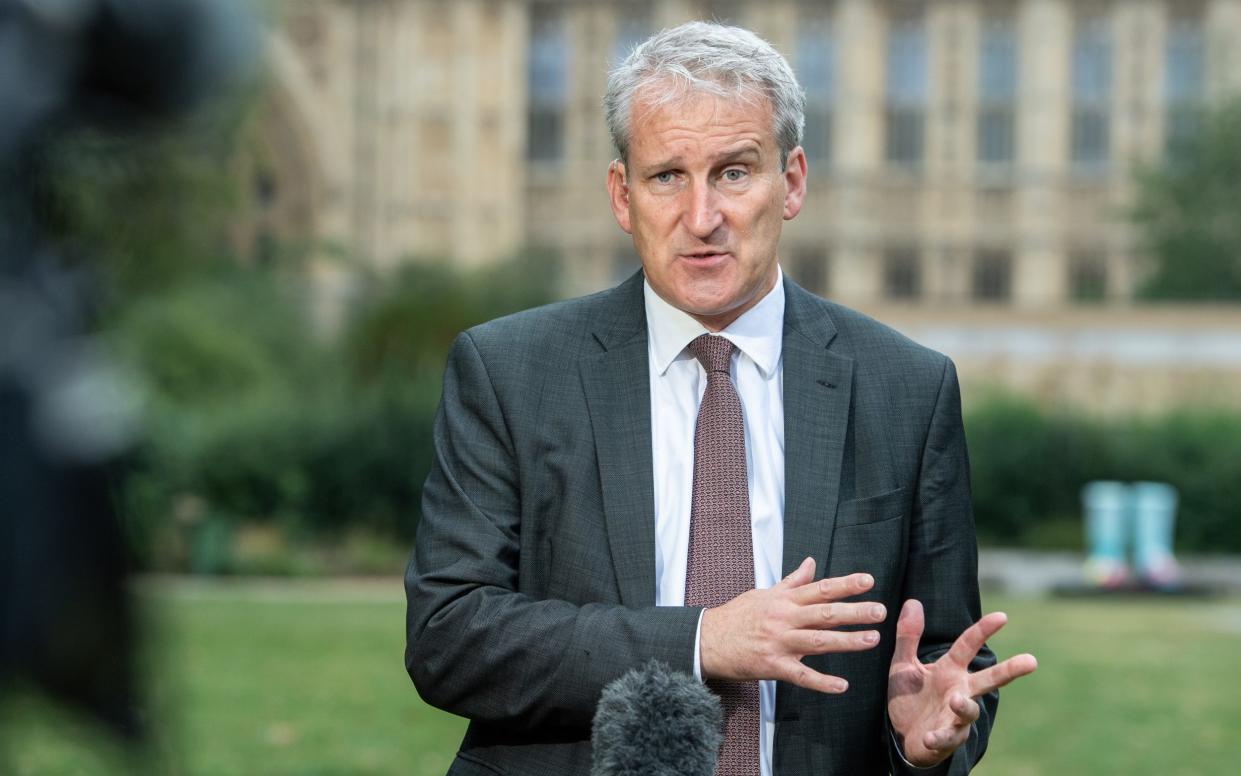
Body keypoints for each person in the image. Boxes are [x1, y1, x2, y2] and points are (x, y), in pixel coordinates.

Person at [405, 21, 1036, 776]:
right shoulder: (509, 371)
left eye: (734, 172)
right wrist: (703, 642)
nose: (701, 218)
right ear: (621, 194)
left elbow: (941, 656)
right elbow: (449, 635)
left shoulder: (905, 386)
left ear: (792, 182)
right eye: (667, 176)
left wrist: (921, 744)